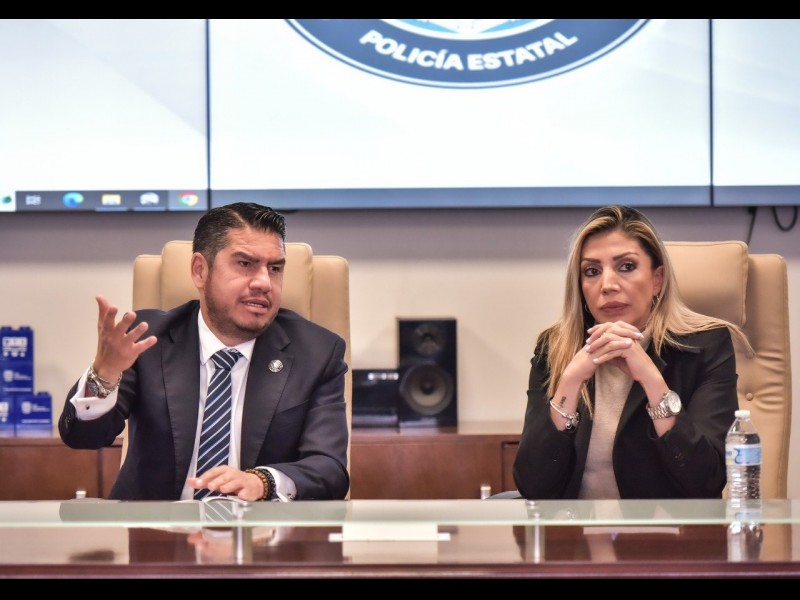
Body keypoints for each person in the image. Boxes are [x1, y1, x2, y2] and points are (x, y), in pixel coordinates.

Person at [58, 202, 350, 502]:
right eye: (245, 264)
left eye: (274, 268)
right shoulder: (148, 340)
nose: (264, 282)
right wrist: (104, 375)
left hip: (260, 526)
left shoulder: (317, 353)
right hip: (155, 526)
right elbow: (82, 437)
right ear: (200, 270)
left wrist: (263, 482)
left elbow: (330, 470)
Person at [513, 205, 752, 500]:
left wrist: (652, 381)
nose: (608, 285)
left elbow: (707, 481)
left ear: (657, 279)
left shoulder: (704, 346)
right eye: (592, 271)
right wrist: (571, 382)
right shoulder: (555, 348)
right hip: (576, 528)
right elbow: (533, 487)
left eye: (626, 266)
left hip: (666, 529)